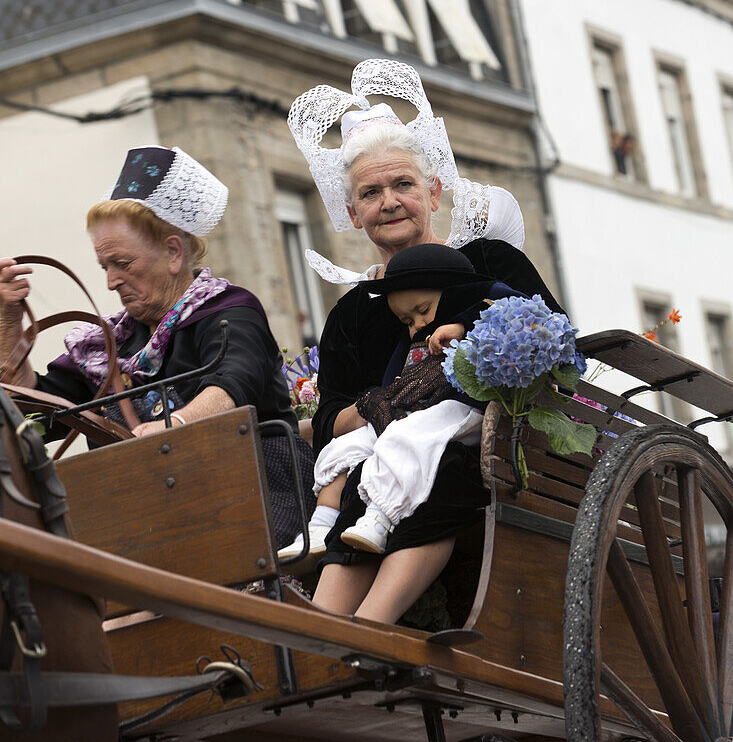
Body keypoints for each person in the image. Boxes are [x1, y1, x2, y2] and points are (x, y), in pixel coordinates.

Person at [287, 59, 562, 623]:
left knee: (438, 472)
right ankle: (320, 636)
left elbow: (551, 338)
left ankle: (368, 629)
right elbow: (334, 411)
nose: (388, 200)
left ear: (435, 193)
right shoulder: (351, 314)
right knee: (366, 481)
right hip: (386, 454)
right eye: (370, 192)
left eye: (403, 184)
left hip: (502, 449)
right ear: (352, 212)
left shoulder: (485, 261)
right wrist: (380, 410)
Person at [0, 144, 314, 545]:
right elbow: (35, 415)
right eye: (105, 267)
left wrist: (173, 428)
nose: (111, 281)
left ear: (172, 253)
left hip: (253, 497)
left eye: (123, 264)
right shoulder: (106, 347)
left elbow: (234, 382)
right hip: (149, 515)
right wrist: (8, 321)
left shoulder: (231, 310)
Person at [279, 244, 519, 561]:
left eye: (423, 311)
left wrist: (462, 325)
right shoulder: (418, 337)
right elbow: (396, 377)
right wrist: (386, 399)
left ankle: (379, 517)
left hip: (463, 408)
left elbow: (514, 314)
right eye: (407, 320)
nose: (417, 325)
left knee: (405, 439)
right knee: (349, 444)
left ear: (456, 291)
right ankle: (321, 524)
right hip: (416, 412)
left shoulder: (483, 302)